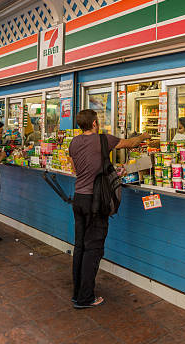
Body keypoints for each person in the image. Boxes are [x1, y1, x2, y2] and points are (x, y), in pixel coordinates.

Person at [68, 109, 150, 309]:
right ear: (95, 123)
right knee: (93, 249)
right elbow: (131, 143)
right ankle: (85, 297)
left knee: (80, 246)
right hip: (96, 202)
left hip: (78, 199)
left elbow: (75, 169)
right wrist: (145, 135)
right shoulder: (104, 140)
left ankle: (77, 291)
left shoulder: (73, 142)